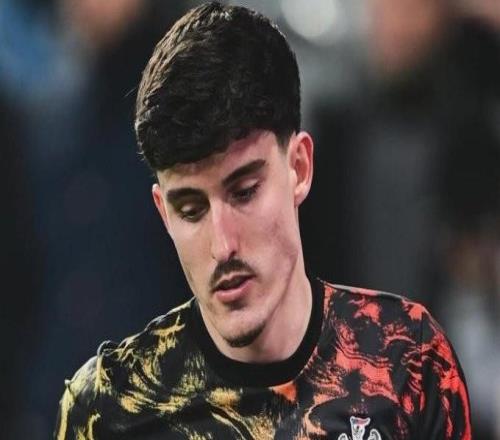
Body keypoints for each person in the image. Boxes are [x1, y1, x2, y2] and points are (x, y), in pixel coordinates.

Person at [54, 3, 471, 439]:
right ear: (163, 213)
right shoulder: (109, 410)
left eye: (244, 192)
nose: (223, 245)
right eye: (191, 210)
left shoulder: (409, 361)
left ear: (299, 168)